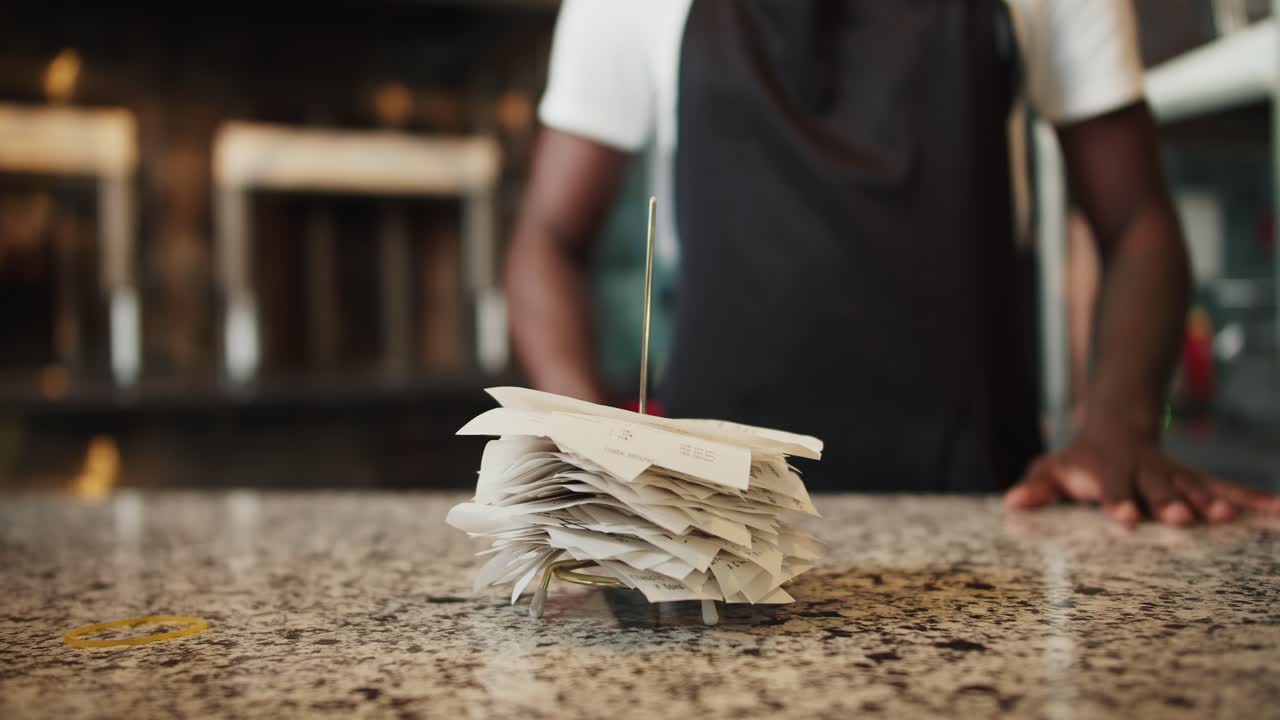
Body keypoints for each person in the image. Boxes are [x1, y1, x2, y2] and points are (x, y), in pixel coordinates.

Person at [505, 0, 1280, 525]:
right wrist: (599, 454)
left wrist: (1118, 424)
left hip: (985, 507)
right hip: (705, 523)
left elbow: (1140, 222)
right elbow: (547, 238)